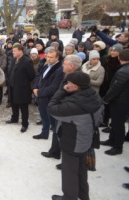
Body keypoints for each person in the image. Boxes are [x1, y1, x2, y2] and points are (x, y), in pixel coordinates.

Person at [48, 71, 103, 200]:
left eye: (69, 83)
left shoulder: (73, 105)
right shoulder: (93, 95)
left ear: (76, 86)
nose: (67, 84)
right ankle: (83, 196)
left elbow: (51, 108)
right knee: (81, 170)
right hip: (86, 139)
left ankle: (69, 197)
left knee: (69, 172)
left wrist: (62, 91)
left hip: (72, 141)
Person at [41, 55, 83, 161]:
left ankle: (68, 161)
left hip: (67, 111)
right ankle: (54, 151)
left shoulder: (77, 78)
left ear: (72, 66)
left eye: (65, 63)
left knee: (66, 135)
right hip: (61, 108)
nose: (62, 65)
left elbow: (73, 98)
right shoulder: (69, 74)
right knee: (57, 129)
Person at [100, 49, 129, 155]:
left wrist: (106, 99)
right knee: (115, 122)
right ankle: (111, 140)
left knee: (118, 124)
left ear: (119, 57)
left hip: (120, 101)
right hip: (126, 99)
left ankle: (118, 146)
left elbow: (115, 88)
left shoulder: (123, 71)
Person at [32, 48, 64, 140]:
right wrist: (34, 87)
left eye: (51, 57)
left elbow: (54, 87)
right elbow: (39, 78)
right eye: (47, 57)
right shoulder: (46, 66)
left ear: (57, 57)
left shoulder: (59, 69)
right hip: (42, 97)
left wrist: (39, 92)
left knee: (52, 121)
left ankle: (56, 142)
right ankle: (44, 133)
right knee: (44, 117)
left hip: (50, 99)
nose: (49, 59)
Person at [6, 44, 36, 133]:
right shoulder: (14, 59)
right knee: (14, 104)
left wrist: (24, 83)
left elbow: (32, 76)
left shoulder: (27, 61)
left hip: (22, 89)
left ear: (21, 51)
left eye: (15, 51)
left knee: (23, 107)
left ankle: (24, 124)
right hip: (12, 86)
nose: (13, 52)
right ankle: (14, 118)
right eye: (13, 51)